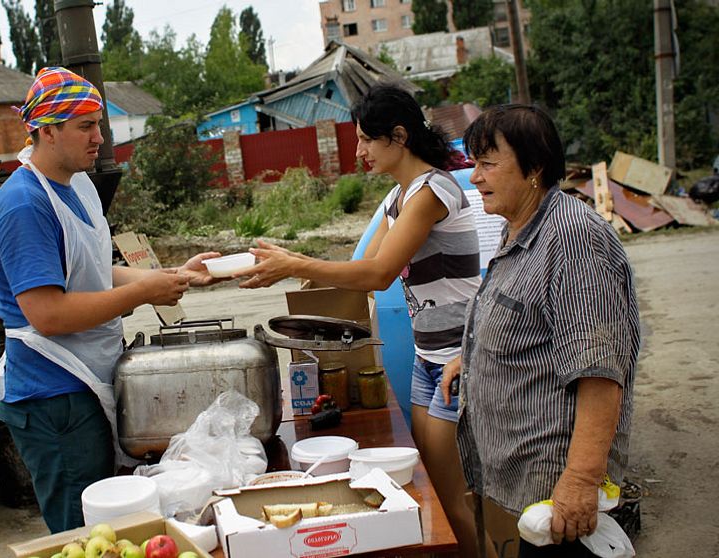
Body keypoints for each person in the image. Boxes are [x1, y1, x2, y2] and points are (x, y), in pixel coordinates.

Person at [238, 83, 487, 558]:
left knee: (452, 500)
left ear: (398, 136)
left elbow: (379, 272)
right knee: (433, 490)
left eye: (366, 140)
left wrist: (294, 263)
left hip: (458, 359)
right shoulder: (401, 197)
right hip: (428, 359)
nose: (359, 152)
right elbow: (360, 276)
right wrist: (286, 271)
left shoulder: (434, 189)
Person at [0, 67, 219, 533]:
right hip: (54, 397)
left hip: (85, 382)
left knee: (113, 527)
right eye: (86, 126)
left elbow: (91, 269)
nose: (100, 138)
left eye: (100, 124)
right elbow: (47, 314)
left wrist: (171, 276)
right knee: (82, 531)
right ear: (46, 130)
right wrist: (142, 292)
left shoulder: (78, 186)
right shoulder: (25, 205)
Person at [441, 104, 639, 557]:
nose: (475, 178)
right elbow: (529, 324)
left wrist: (581, 481)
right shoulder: (519, 227)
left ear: (534, 168)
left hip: (560, 497)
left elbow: (600, 371)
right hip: (532, 492)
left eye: (488, 164)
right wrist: (472, 360)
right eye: (475, 164)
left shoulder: (572, 236)